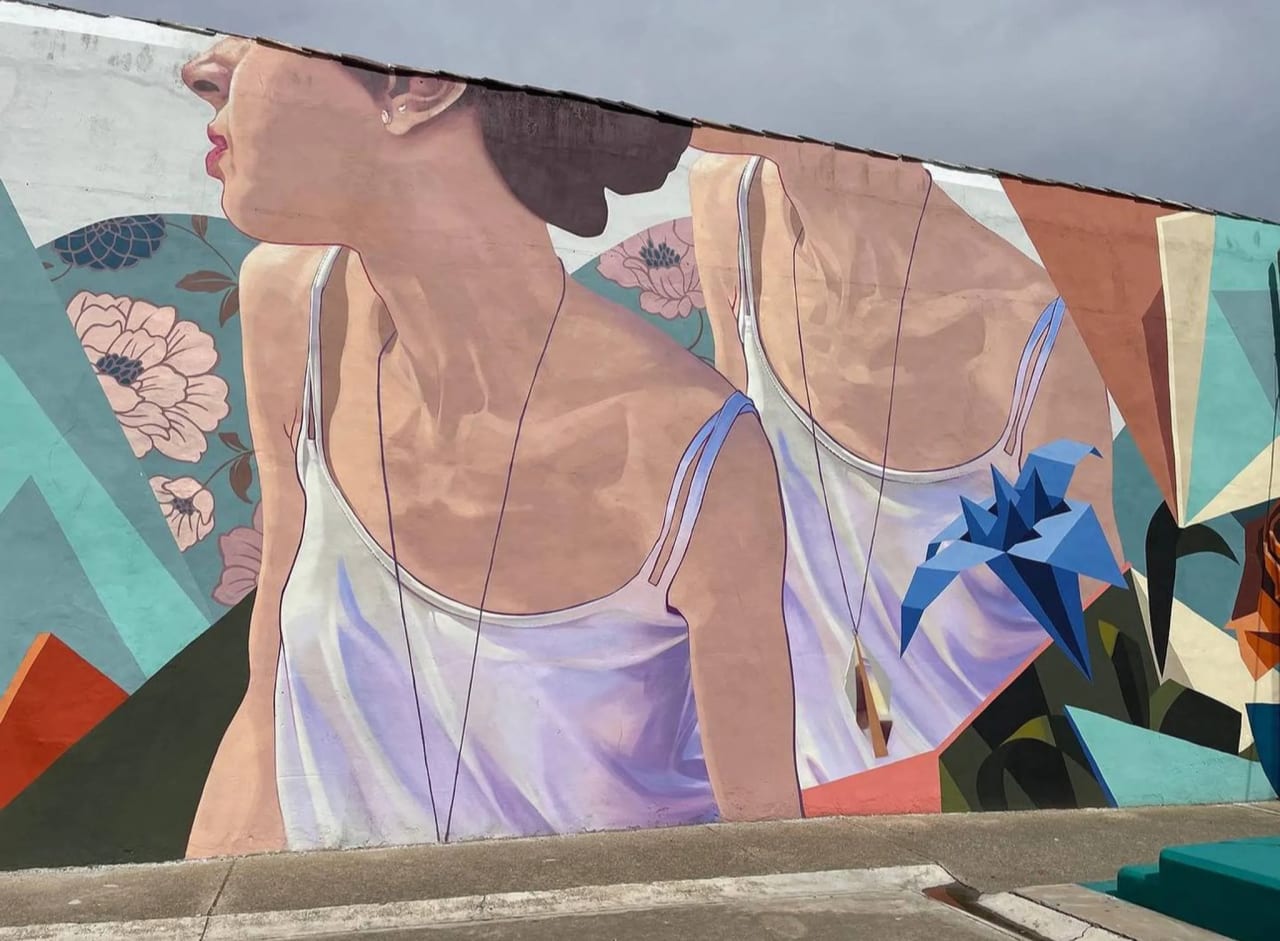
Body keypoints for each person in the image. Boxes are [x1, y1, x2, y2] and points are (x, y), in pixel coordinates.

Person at [180, 39, 800, 857]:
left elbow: (772, 852)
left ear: (419, 81)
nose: (200, 66)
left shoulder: (692, 452)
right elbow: (271, 706)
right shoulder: (297, 309)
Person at [689, 130, 1121, 788]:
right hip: (794, 785)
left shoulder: (1028, 338)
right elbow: (735, 499)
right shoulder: (733, 207)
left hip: (965, 790)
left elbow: (1089, 639)